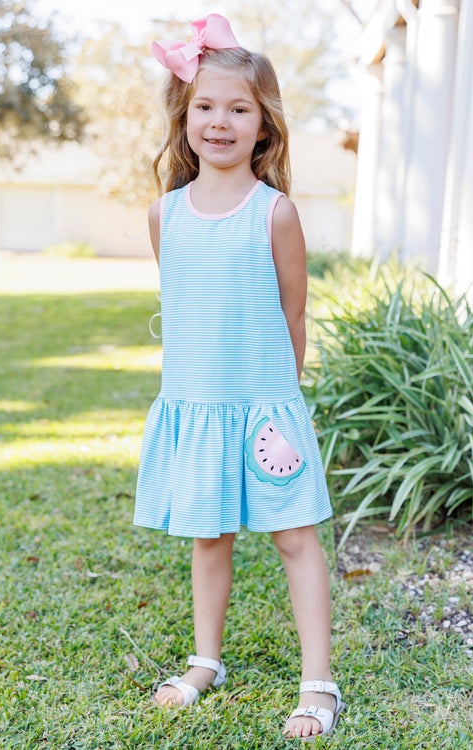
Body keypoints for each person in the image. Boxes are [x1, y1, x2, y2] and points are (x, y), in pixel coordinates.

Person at [134, 13, 344, 741]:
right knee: (208, 536)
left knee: (295, 538)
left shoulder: (275, 214)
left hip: (264, 410)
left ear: (265, 126)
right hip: (197, 405)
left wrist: (281, 408)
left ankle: (318, 682)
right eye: (205, 106)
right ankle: (206, 661)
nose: (219, 121)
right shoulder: (165, 215)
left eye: (239, 108)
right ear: (184, 116)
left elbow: (293, 315)